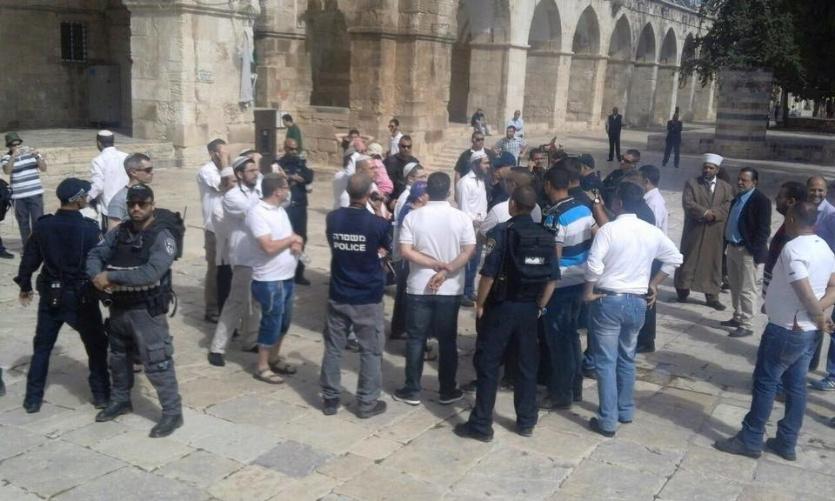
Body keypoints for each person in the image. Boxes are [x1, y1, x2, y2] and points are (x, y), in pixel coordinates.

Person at [714, 202, 835, 461]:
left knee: (766, 382)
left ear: (791, 218)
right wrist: (818, 315)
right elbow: (833, 286)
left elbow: (804, 292)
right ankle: (786, 441)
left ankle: (750, 438)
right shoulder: (824, 246)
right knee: (796, 386)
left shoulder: (794, 249)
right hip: (807, 330)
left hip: (787, 329)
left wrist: (815, 314)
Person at [455, 186, 558, 441]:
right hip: (529, 308)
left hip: (501, 307)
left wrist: (480, 304)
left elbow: (488, 275)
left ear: (512, 204)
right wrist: (540, 306)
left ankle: (481, 424)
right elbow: (552, 279)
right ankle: (526, 420)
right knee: (526, 365)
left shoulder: (501, 232)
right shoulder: (545, 236)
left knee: (488, 364)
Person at [584, 182, 683, 437]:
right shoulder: (651, 231)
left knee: (606, 361)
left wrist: (588, 291)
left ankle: (608, 420)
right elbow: (675, 258)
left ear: (618, 203)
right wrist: (654, 283)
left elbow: (594, 264)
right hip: (637, 302)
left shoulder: (609, 230)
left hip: (609, 299)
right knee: (627, 357)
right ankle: (625, 410)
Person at [88, 184, 184, 438]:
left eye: (142, 204)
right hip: (119, 309)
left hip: (146, 312)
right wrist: (96, 276)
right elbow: (95, 254)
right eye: (132, 204)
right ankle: (121, 400)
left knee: (157, 362)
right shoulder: (120, 232)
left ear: (152, 205)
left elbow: (151, 272)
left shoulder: (162, 236)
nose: (136, 208)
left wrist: (111, 276)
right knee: (118, 359)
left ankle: (173, 412)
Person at [14, 178, 109, 414]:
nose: (86, 198)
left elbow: (30, 259)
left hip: (51, 295)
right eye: (84, 195)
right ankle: (101, 395)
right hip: (81, 297)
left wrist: (25, 285)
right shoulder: (89, 229)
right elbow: (100, 262)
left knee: (42, 348)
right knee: (96, 346)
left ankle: (32, 399)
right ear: (77, 200)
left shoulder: (43, 226)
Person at [393, 172, 476, 406]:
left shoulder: (413, 217)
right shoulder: (462, 218)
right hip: (450, 288)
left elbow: (405, 251)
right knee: (447, 340)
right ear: (449, 191)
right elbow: (469, 251)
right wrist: (446, 269)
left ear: (427, 191)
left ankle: (412, 389)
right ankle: (447, 390)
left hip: (419, 286)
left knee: (416, 339)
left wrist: (433, 265)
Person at [321, 173, 391, 418]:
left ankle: (330, 399)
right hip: (367, 296)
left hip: (339, 292)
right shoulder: (376, 224)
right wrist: (379, 208)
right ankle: (367, 402)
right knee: (370, 351)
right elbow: (389, 245)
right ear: (369, 194)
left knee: (333, 348)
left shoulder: (333, 218)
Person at [540, 166, 597, 409]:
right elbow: (596, 234)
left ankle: (561, 393)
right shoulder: (583, 208)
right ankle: (575, 387)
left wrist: (543, 296)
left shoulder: (554, 217)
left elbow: (554, 259)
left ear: (548, 185)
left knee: (559, 341)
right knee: (572, 336)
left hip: (561, 285)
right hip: (581, 280)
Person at [245, 174, 304, 384]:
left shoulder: (280, 210)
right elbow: (268, 246)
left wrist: (295, 242)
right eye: (286, 187)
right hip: (270, 279)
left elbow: (286, 235)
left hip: (286, 276)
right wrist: (291, 239)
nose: (288, 190)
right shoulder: (257, 213)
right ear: (277, 191)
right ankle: (262, 366)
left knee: (284, 322)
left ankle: (274, 357)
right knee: (271, 321)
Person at [208, 156, 263, 366]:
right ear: (239, 174)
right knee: (236, 301)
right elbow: (255, 213)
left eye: (256, 170)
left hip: (260, 254)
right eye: (251, 171)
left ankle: (251, 340)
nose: (256, 174)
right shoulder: (232, 197)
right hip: (243, 255)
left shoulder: (257, 190)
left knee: (256, 300)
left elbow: (281, 201)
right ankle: (217, 347)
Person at [674, 153, 733, 310]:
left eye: (711, 168)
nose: (707, 170)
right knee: (688, 259)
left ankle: (712, 296)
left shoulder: (726, 187)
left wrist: (715, 214)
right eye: (705, 167)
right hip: (695, 230)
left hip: (714, 231)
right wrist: (704, 213)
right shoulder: (692, 183)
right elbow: (688, 202)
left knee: (712, 263)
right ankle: (682, 290)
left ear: (717, 170)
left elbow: (728, 205)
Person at [721, 167, 771, 338]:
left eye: (744, 180)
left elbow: (763, 230)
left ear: (754, 182)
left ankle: (747, 324)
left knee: (747, 289)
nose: (740, 182)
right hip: (732, 248)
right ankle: (738, 316)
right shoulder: (738, 198)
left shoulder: (761, 200)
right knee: (735, 285)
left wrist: (754, 251)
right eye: (739, 179)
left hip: (747, 251)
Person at [196, 138, 232, 323]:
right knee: (215, 269)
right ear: (213, 154)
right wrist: (225, 163)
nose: (226, 156)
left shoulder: (229, 168)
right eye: (222, 152)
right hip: (213, 228)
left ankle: (227, 305)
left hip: (231, 227)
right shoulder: (206, 171)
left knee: (229, 269)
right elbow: (226, 184)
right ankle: (211, 309)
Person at [636, 165, 668, 353]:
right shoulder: (650, 199)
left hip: (652, 256)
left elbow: (651, 232)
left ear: (646, 181)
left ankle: (646, 339)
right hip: (649, 254)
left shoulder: (654, 203)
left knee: (648, 296)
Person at [277, 138, 314, 286]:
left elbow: (309, 176)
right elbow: (275, 178)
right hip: (285, 206)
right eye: (290, 149)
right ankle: (284, 272)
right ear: (285, 148)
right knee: (284, 237)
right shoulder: (279, 163)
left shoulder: (301, 162)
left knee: (301, 237)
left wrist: (297, 178)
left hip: (299, 205)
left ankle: (299, 273)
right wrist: (292, 177)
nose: (293, 151)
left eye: (295, 149)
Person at [455, 152, 490, 306]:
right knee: (467, 262)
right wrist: (475, 221)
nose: (488, 166)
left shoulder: (481, 181)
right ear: (475, 164)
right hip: (469, 229)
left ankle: (469, 290)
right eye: (485, 163)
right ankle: (462, 292)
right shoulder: (465, 183)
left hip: (480, 229)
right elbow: (463, 210)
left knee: (475, 262)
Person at [2, 132, 47, 243]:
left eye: (18, 144)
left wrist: (37, 155)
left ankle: (39, 247)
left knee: (38, 221)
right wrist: (13, 156)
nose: (17, 147)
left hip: (35, 194)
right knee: (23, 222)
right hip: (18, 197)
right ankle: (27, 248)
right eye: (14, 145)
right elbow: (7, 171)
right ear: (9, 146)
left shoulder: (31, 153)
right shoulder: (6, 157)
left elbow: (43, 168)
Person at [88, 130, 129, 231]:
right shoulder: (126, 156)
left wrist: (86, 199)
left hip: (110, 207)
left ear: (99, 143)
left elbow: (98, 186)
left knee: (111, 234)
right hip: (127, 203)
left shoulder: (98, 160)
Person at [481, 170, 543, 236]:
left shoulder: (498, 209)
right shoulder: (537, 209)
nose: (506, 183)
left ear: (513, 184)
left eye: (508, 180)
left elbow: (483, 233)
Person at [106, 153, 156, 228]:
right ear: (133, 172)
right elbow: (113, 231)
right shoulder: (119, 200)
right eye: (148, 170)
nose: (152, 172)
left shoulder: (147, 192)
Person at [383, 135, 418, 201]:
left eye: (409, 146)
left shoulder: (414, 161)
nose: (406, 149)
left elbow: (415, 180)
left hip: (408, 198)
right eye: (403, 146)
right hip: (392, 199)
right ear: (399, 146)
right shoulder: (389, 161)